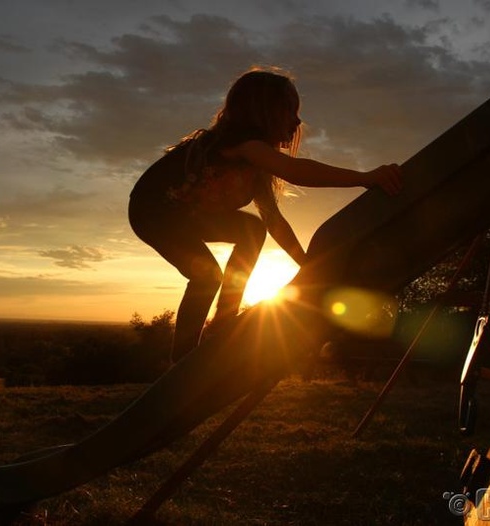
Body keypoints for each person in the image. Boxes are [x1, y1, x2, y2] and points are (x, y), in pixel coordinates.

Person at [129, 67, 402, 363]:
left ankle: (223, 321)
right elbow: (297, 171)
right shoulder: (240, 145)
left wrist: (307, 265)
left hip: (188, 215)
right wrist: (365, 177)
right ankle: (183, 359)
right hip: (154, 210)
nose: (297, 120)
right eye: (289, 110)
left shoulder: (255, 165)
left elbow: (275, 223)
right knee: (206, 276)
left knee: (254, 229)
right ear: (264, 110)